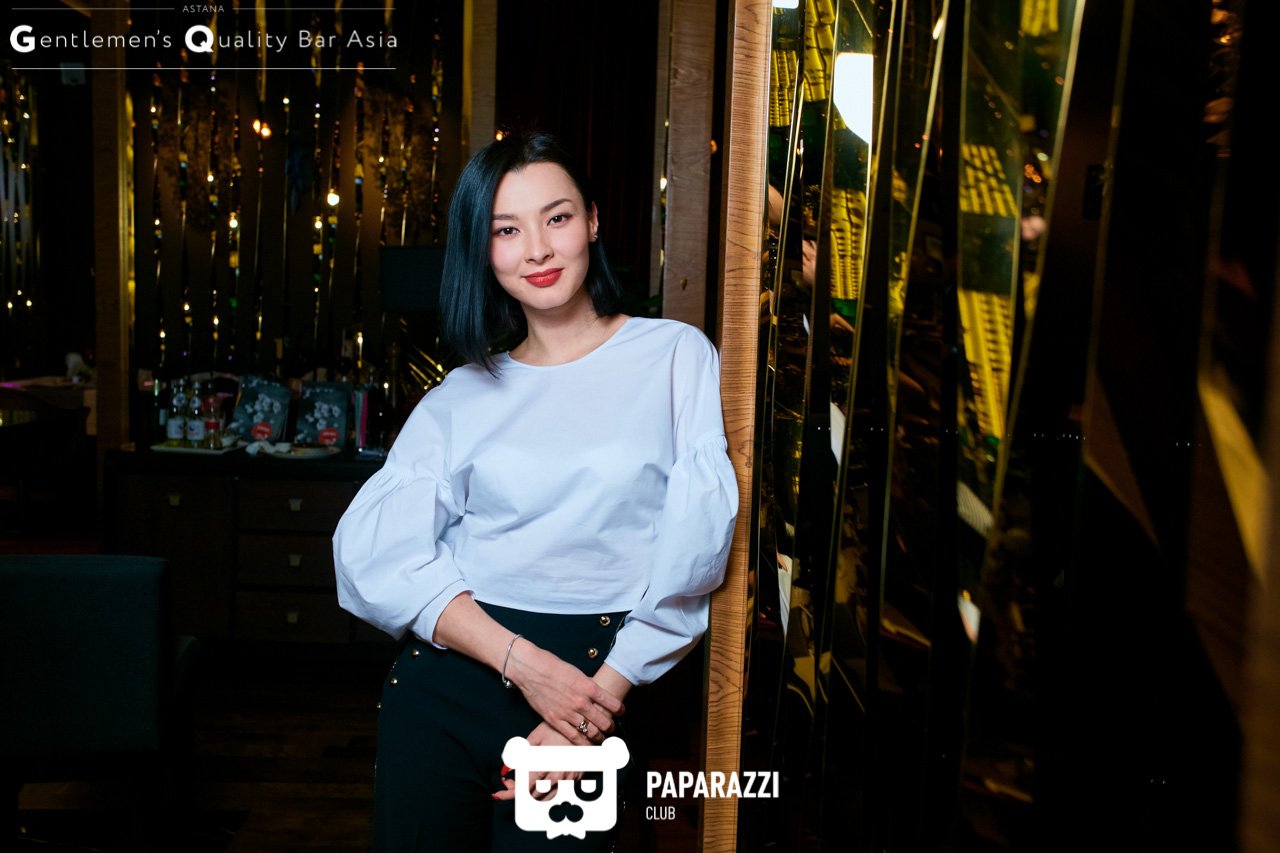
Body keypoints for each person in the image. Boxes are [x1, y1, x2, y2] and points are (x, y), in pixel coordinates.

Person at [332, 130, 738, 852]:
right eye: (506, 230)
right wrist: (523, 664)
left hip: (594, 682)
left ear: (593, 221)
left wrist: (588, 706)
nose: (538, 250)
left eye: (557, 218)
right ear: (483, 250)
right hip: (450, 687)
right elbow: (371, 555)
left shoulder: (674, 357)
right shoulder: (460, 396)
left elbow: (694, 556)